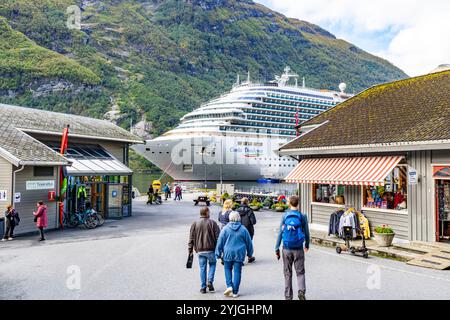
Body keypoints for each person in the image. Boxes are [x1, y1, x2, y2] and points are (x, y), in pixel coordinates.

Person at [275, 195, 310, 301]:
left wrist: (277, 247)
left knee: (287, 273)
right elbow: (307, 233)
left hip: (286, 248)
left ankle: (288, 296)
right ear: (298, 204)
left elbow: (280, 232)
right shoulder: (302, 216)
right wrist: (306, 245)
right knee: (300, 272)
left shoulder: (285, 216)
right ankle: (301, 291)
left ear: (290, 203)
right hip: (298, 248)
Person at [215, 211, 253, 298]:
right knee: (237, 272)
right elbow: (249, 242)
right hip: (239, 254)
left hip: (227, 253)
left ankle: (229, 286)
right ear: (238, 218)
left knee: (227, 269)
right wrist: (250, 253)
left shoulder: (225, 229)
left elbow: (220, 242)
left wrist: (218, 253)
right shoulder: (243, 229)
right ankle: (235, 292)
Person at [188, 207, 220, 294]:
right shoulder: (213, 223)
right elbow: (219, 238)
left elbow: (191, 238)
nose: (210, 213)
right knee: (213, 264)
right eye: (209, 212)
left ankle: (203, 287)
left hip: (200, 250)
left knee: (202, 268)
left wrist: (190, 251)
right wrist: (219, 249)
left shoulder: (195, 223)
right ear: (206, 213)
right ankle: (210, 281)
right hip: (211, 250)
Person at [236, 198, 257, 263]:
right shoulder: (250, 210)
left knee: (240, 243)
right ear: (247, 202)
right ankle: (249, 256)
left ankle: (240, 258)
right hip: (248, 230)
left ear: (241, 202)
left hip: (238, 229)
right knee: (248, 243)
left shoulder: (237, 211)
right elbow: (253, 222)